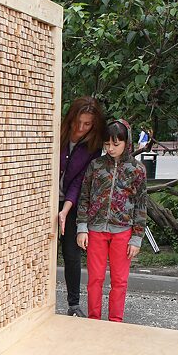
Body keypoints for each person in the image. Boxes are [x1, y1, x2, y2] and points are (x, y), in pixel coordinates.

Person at [76, 119, 148, 322]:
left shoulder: (137, 170)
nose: (111, 148)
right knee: (95, 278)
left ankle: (116, 322)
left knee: (119, 280)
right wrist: (82, 227)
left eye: (116, 144)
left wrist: (137, 237)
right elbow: (85, 197)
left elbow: (141, 204)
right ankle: (94, 320)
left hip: (123, 231)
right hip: (95, 230)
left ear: (127, 142)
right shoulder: (96, 166)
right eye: (107, 144)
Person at [57, 97, 106, 317]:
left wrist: (66, 209)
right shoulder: (58, 131)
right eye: (78, 122)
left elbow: (79, 181)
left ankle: (73, 305)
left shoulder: (93, 146)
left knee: (71, 252)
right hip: (45, 198)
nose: (81, 128)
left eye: (87, 124)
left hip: (70, 201)